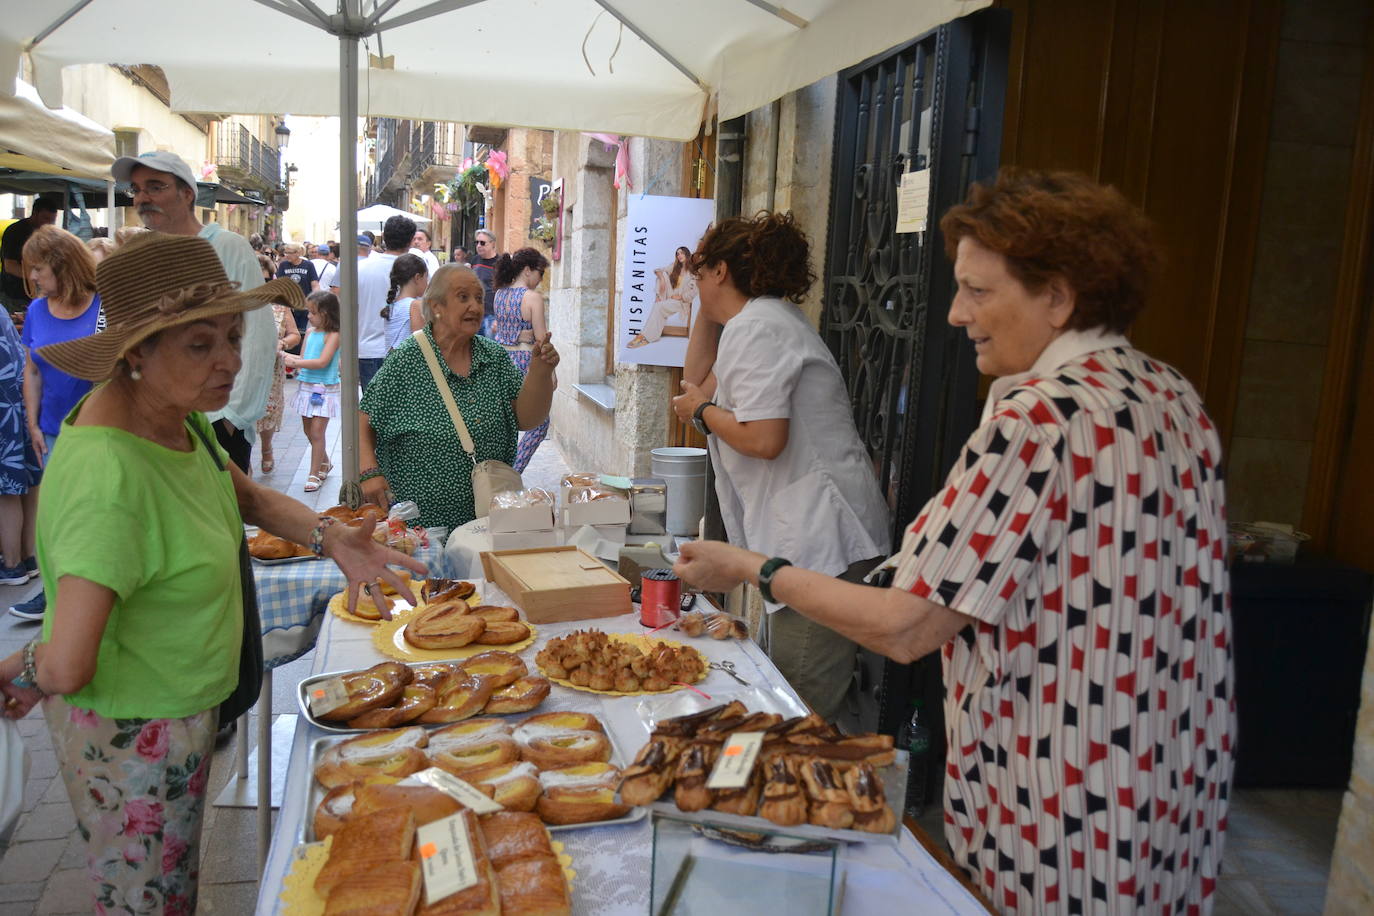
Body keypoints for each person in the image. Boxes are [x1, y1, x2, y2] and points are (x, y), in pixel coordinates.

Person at [675, 170, 1235, 913]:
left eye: (978, 290)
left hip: (1062, 804)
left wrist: (751, 566)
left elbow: (906, 624)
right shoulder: (1171, 394)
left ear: (1058, 297)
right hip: (1169, 784)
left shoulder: (1038, 420)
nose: (954, 313)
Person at [0, 232, 425, 915]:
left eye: (232, 335)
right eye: (200, 345)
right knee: (146, 904)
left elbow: (249, 499)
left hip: (182, 716)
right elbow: (69, 665)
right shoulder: (108, 473)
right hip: (134, 735)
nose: (230, 360)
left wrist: (333, 536)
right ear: (135, 353)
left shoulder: (175, 418)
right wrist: (22, 672)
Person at [668, 213, 889, 721]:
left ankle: (812, 793)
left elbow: (765, 439)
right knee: (789, 686)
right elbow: (696, 379)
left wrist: (703, 412)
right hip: (805, 540)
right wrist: (707, 308)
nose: (693, 276)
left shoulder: (759, 328)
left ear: (721, 270)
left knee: (797, 707)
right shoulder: (754, 324)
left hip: (820, 543)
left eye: (699, 267)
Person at [359, 265, 558, 531]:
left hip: (487, 520)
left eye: (478, 298)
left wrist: (540, 372)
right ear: (436, 306)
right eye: (463, 297)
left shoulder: (493, 357)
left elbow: (526, 418)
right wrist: (369, 473)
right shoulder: (408, 359)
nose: (475, 307)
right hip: (423, 527)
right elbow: (364, 418)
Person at [112, 151, 276, 475]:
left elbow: (257, 333)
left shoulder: (227, 247)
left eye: (155, 187)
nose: (143, 197)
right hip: (155, 418)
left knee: (219, 519)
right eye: (137, 189)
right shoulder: (141, 255)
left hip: (214, 419)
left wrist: (233, 417)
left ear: (187, 193)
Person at [11, 228, 105, 623]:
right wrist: (32, 423)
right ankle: (53, 591)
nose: (32, 277)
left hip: (102, 430)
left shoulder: (104, 305)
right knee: (57, 516)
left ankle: (95, 592)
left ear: (62, 264)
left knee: (97, 514)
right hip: (53, 431)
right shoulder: (36, 311)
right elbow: (32, 371)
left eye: (38, 268)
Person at [491, 247, 552, 472]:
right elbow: (542, 339)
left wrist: (512, 335)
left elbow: (498, 333)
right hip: (526, 364)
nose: (541, 279)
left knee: (505, 421)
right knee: (539, 423)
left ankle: (499, 472)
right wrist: (550, 373)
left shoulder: (499, 294)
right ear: (527, 270)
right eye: (540, 272)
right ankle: (514, 471)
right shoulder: (532, 298)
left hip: (502, 360)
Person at [284, 291, 342, 493]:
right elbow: (302, 358)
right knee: (309, 431)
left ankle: (313, 473)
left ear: (326, 313)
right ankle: (324, 462)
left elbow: (322, 361)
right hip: (306, 386)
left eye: (312, 312)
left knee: (317, 432)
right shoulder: (309, 332)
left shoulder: (334, 335)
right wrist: (291, 361)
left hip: (325, 388)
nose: (308, 316)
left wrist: (294, 361)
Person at [0, 309, 41, 588]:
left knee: (5, 488)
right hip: (19, 396)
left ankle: (12, 565)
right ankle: (28, 558)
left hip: (4, 402)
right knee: (26, 479)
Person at [355, 215, 415, 391]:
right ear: (411, 241)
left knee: (373, 414)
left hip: (367, 349)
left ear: (383, 236)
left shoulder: (362, 268)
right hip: (403, 351)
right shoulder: (416, 269)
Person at [256, 254, 301, 475]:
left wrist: (281, 342)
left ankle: (266, 448)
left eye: (266, 280)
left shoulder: (280, 306)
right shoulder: (240, 304)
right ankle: (245, 457)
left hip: (271, 369)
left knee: (268, 410)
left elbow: (295, 335)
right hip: (244, 367)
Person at [628, 246, 698, 348]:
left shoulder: (693, 271)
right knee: (663, 276)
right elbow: (658, 270)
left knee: (658, 307)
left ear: (687, 254)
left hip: (681, 301)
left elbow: (694, 291)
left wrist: (681, 296)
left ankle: (644, 336)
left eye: (681, 253)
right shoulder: (675, 266)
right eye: (677, 254)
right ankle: (658, 298)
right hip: (670, 295)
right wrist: (661, 278)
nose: (679, 256)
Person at [0, 195, 60, 314]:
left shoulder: (49, 235)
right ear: (34, 213)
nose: (48, 223)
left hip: (37, 296)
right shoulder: (15, 232)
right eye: (45, 218)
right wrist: (38, 277)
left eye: (52, 220)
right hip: (13, 294)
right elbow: (10, 266)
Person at [384, 253, 428, 350]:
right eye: (426, 277)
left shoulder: (392, 305)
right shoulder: (415, 306)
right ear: (417, 278)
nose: (427, 282)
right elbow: (422, 346)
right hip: (409, 364)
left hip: (392, 363)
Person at [277, 243, 319, 344]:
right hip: (289, 306)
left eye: (289, 253)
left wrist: (315, 301)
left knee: (302, 333)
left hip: (305, 306)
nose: (286, 255)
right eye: (285, 252)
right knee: (289, 332)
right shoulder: (283, 265)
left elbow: (315, 285)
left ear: (298, 253)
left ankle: (301, 353)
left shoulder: (308, 265)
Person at [470, 229, 500, 337]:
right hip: (475, 314)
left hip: (492, 315)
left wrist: (499, 318)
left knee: (490, 350)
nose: (478, 245)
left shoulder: (500, 263)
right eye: (476, 242)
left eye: (482, 243)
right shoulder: (475, 261)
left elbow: (505, 290)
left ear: (492, 244)